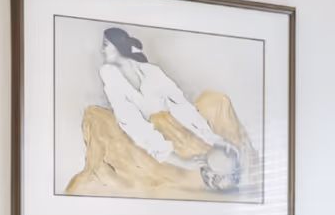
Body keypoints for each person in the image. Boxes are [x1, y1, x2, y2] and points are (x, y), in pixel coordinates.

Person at [65, 26, 256, 198]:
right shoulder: (109, 73)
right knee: (96, 118)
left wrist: (212, 138)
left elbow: (180, 105)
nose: (102, 50)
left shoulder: (151, 71)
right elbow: (132, 123)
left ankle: (222, 170)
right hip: (143, 138)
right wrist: (178, 161)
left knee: (216, 102)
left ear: (118, 46)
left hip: (172, 127)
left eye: (106, 45)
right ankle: (209, 170)